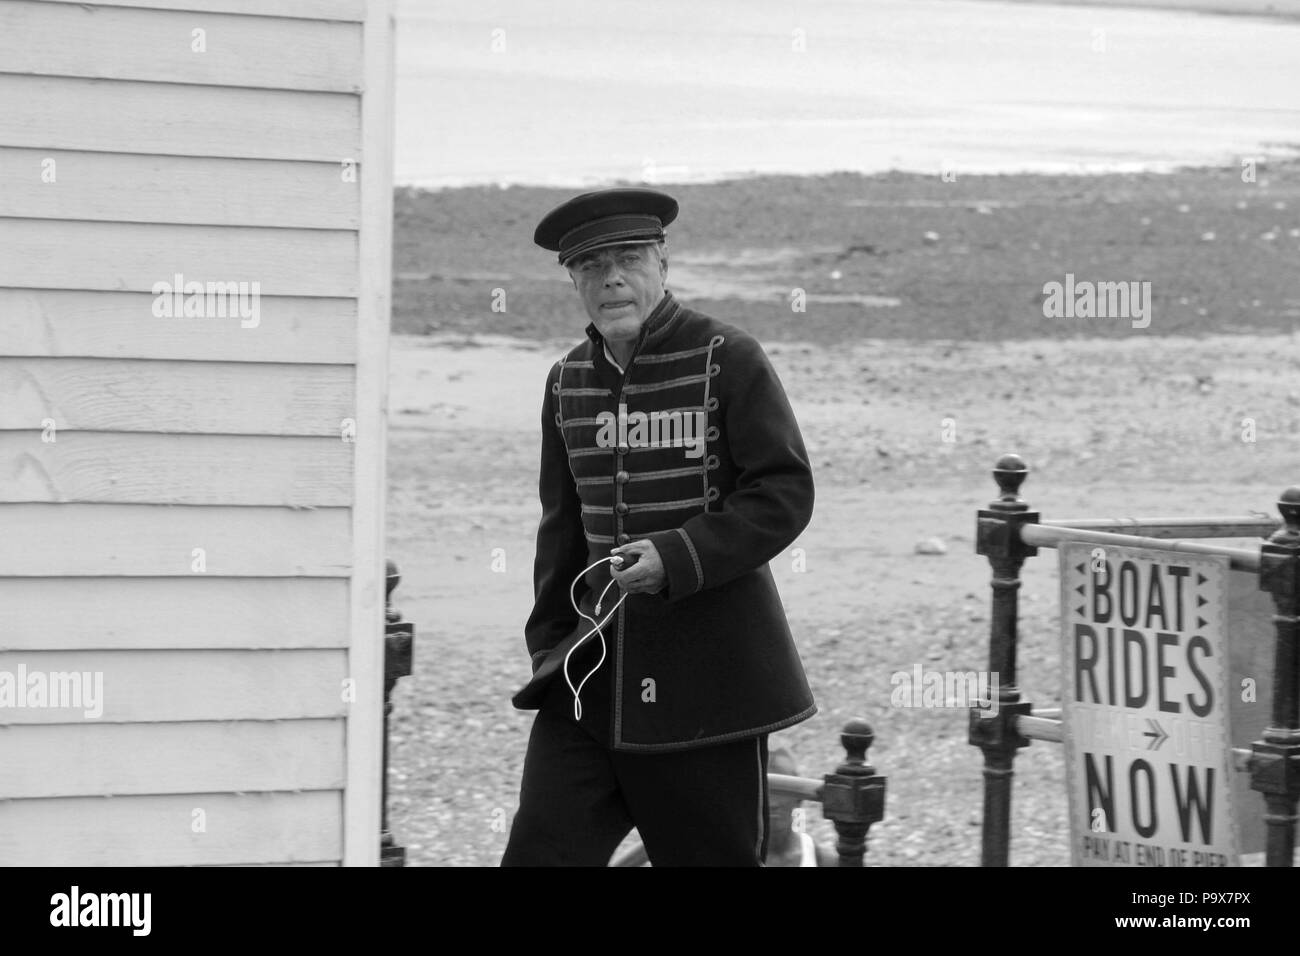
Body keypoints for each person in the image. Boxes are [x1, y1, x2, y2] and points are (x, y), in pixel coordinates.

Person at [500, 187, 817, 867]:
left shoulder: (728, 358)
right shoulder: (567, 383)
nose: (611, 278)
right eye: (590, 267)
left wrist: (678, 556)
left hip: (705, 687)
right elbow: (561, 528)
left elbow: (784, 491)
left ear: (661, 267)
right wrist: (550, 647)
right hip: (588, 683)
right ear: (576, 283)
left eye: (628, 259)